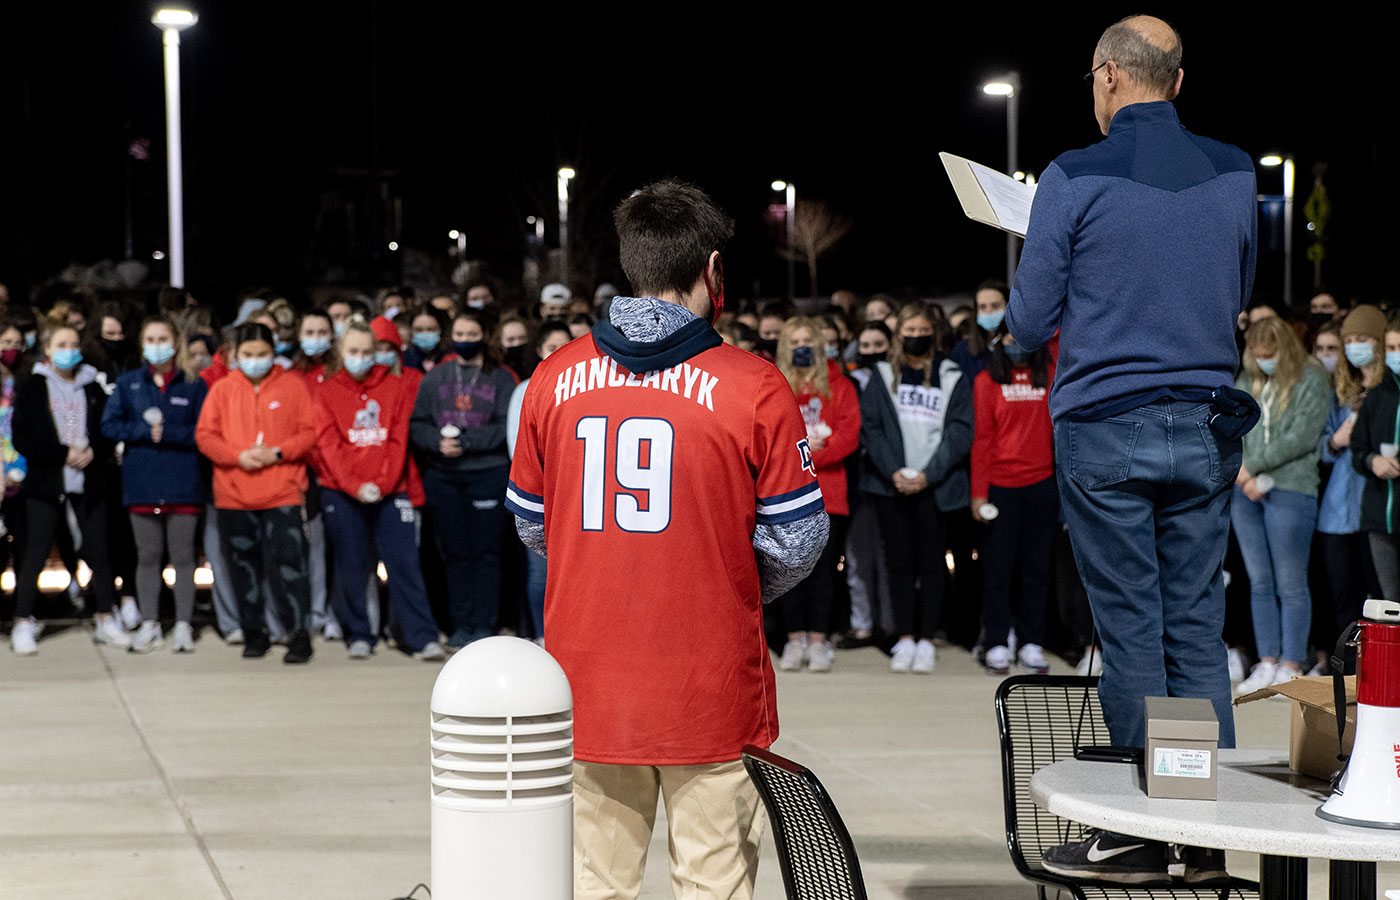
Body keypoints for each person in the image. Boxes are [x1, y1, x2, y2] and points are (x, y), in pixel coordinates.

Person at [507, 180, 826, 900]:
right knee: (713, 884)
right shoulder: (753, 383)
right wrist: (721, 580)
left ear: (632, 265)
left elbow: (532, 521)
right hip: (708, 683)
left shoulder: (553, 378)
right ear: (713, 269)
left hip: (587, 676)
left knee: (596, 884)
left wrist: (609, 567)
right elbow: (798, 540)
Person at [1005, 16, 1257, 883]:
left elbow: (1029, 323)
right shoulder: (1234, 170)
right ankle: (1197, 817)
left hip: (1109, 424)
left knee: (1131, 629)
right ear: (1177, 82)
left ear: (1109, 77)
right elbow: (1237, 284)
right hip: (1205, 421)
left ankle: (1143, 828)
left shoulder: (1075, 174)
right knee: (1196, 626)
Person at [312, 318, 443, 661]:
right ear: (341, 352)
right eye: (353, 351)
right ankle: (360, 633)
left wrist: (382, 485)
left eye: (367, 351)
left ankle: (420, 637)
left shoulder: (395, 387)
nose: (361, 357)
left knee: (404, 564)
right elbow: (329, 446)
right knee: (352, 565)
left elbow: (398, 440)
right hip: (342, 492)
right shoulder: (325, 392)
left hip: (391, 490)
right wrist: (355, 487)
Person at [858, 302, 972, 674]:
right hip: (891, 486)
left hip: (934, 485)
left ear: (934, 334)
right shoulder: (881, 373)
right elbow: (871, 428)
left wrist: (928, 474)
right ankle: (904, 637)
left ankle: (926, 637)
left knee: (933, 563)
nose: (916, 338)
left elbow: (960, 430)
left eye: (923, 332)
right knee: (898, 563)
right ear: (899, 334)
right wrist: (895, 472)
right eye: (909, 332)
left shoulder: (952, 373)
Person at [195, 322, 317, 664]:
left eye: (262, 354)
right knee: (244, 567)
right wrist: (238, 457)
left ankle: (300, 635)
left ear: (273, 351)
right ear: (235, 354)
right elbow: (206, 435)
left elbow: (309, 432)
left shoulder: (292, 385)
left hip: (283, 492)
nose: (255, 361)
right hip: (235, 494)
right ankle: (254, 634)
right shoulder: (222, 389)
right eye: (248, 355)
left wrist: (278, 452)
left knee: (292, 565)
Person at [9, 322, 129, 654]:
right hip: (47, 481)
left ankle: (107, 616)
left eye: (74, 344)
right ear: (47, 350)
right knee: (35, 551)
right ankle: (23, 620)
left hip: (88, 480)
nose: (69, 350)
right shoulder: (33, 387)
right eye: (61, 344)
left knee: (99, 550)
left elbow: (108, 427)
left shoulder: (93, 386)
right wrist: (62, 453)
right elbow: (23, 436)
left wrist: (94, 452)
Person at [1230, 317, 1331, 694]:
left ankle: (1291, 663)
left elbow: (1301, 437)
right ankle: (1267, 660)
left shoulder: (1311, 378)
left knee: (1290, 583)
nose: (1263, 361)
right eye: (1257, 356)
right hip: (1246, 489)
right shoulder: (1250, 379)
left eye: (1269, 355)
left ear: (1284, 349)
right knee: (1259, 581)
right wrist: (1243, 475)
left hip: (1291, 487)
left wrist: (1251, 467)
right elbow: (1235, 424)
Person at [409, 310, 517, 649]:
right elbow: (418, 424)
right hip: (443, 476)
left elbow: (506, 427)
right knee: (454, 554)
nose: (465, 340)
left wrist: (467, 442)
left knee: (485, 553)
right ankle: (461, 624)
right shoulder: (436, 378)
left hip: (487, 474)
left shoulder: (501, 378)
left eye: (472, 334)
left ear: (485, 334)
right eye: (459, 333)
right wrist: (437, 443)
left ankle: (484, 625)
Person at [100, 315, 207, 653]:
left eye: (163, 338)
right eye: (151, 338)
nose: (157, 345)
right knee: (147, 556)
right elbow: (110, 425)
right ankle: (149, 623)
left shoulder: (193, 384)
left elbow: (204, 432)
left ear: (175, 342)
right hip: (141, 483)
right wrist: (143, 432)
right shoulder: (130, 383)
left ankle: (183, 625)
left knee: (183, 558)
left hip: (182, 484)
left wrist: (171, 434)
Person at [773, 316, 858, 673]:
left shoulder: (841, 387)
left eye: (807, 339)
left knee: (823, 572)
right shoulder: (775, 385)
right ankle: (794, 640)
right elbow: (773, 438)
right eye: (794, 341)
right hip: (787, 494)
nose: (801, 346)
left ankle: (819, 640)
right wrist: (810, 448)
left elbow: (847, 437)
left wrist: (808, 453)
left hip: (830, 493)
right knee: (790, 571)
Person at [970, 326, 1057, 675]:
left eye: (1021, 337)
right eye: (1008, 338)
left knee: (1036, 568)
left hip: (1042, 484)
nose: (1015, 345)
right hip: (1000, 486)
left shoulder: (1050, 376)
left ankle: (1032, 641)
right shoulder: (985, 381)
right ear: (998, 342)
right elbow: (982, 439)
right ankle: (996, 641)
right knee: (998, 569)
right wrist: (978, 494)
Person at [505, 320, 572, 644]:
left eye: (565, 346)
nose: (559, 354)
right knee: (539, 574)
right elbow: (518, 448)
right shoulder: (527, 389)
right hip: (542, 496)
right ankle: (542, 638)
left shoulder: (582, 387)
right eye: (551, 347)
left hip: (577, 499)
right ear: (539, 351)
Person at [1350, 315, 1400, 604]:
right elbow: (1357, 450)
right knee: (1390, 602)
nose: (1395, 354)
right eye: (1391, 348)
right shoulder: (1378, 396)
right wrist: (1372, 462)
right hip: (1378, 516)